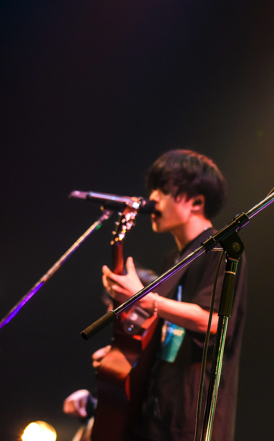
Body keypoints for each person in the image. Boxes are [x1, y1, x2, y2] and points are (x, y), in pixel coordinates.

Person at [66, 149, 247, 441]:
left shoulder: (220, 250)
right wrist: (121, 357)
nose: (152, 199)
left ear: (196, 202)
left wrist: (143, 297)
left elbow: (213, 321)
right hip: (158, 408)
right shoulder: (173, 260)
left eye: (163, 190)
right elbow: (161, 330)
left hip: (191, 415)